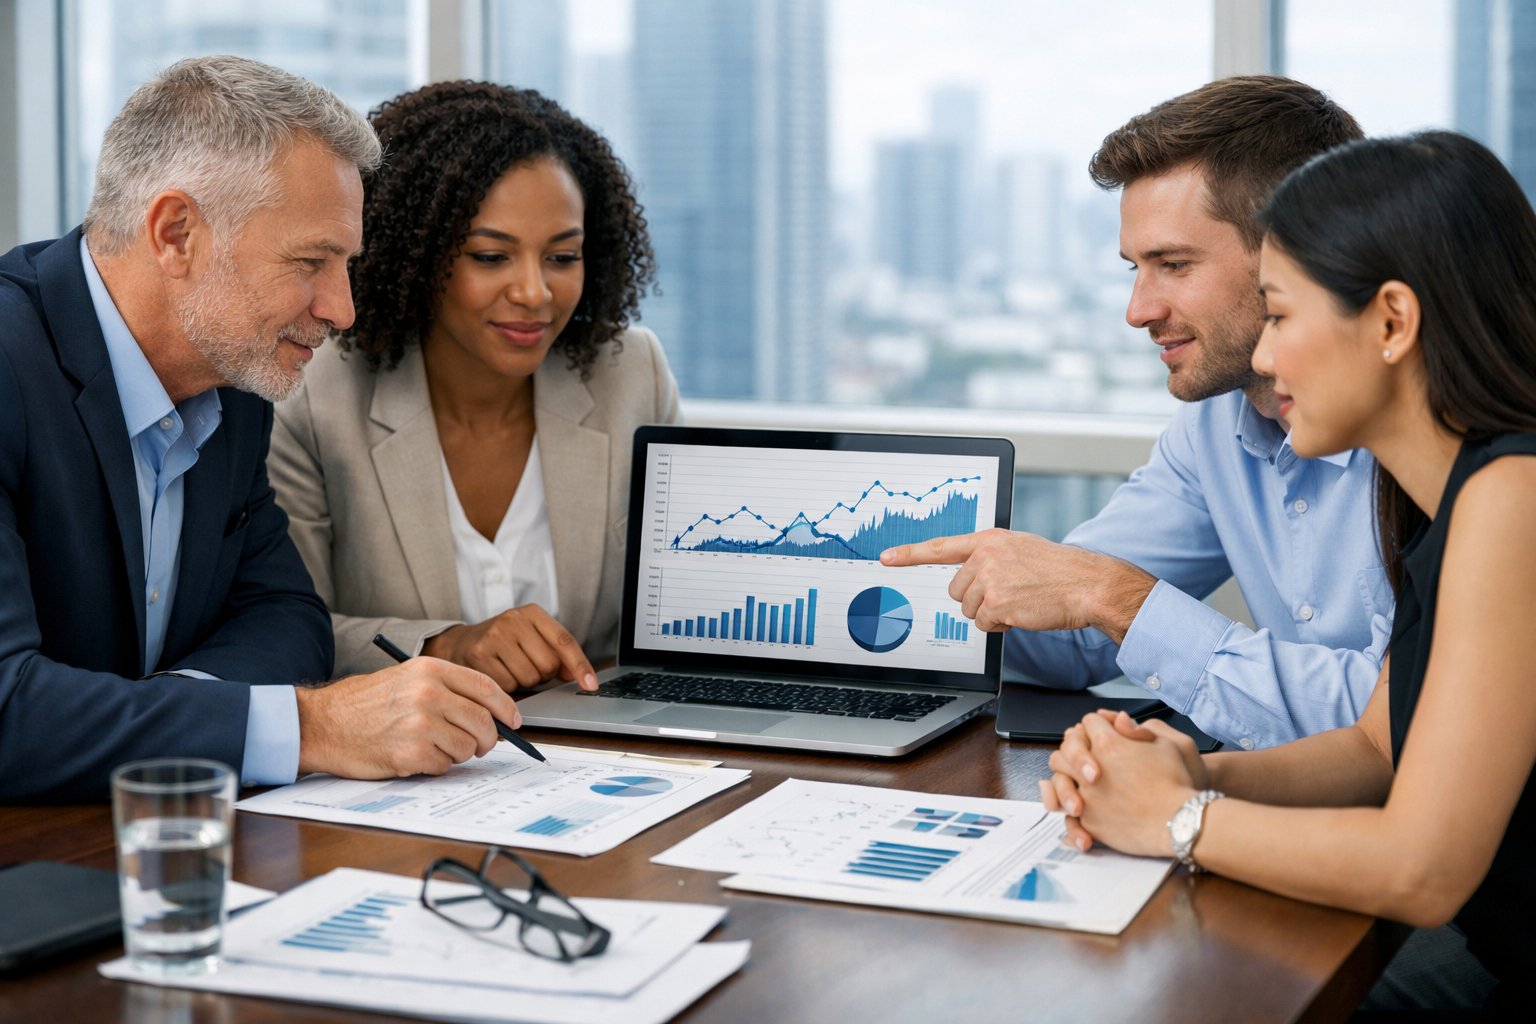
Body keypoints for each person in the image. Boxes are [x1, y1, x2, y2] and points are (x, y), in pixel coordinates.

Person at [1043, 131, 1536, 1014]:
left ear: (1392, 321)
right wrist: (1190, 772)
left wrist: (1176, 821)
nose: (1264, 362)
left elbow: (1421, 873)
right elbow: (1376, 750)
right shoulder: (1444, 496)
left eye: (1279, 315)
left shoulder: (1516, 496)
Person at [0, 56, 522, 803]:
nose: (341, 309)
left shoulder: (230, 374)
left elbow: (284, 616)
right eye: (311, 261)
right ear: (176, 232)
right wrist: (314, 727)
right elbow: (7, 711)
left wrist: (176, 718)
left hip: (140, 834)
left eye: (346, 266)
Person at [883, 77, 1380, 749]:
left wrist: (1117, 596)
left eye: (1173, 264)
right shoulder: (1214, 427)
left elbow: (1406, 722)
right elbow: (1078, 632)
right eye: (1134, 269)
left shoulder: (1440, 442)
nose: (1138, 311)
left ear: (1297, 253)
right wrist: (881, 600)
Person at [267, 81, 680, 688]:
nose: (535, 293)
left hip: (603, 753)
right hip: (406, 765)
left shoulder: (631, 373)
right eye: (492, 257)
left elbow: (677, 608)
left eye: (563, 257)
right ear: (419, 253)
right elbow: (281, 626)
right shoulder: (316, 391)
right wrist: (445, 647)